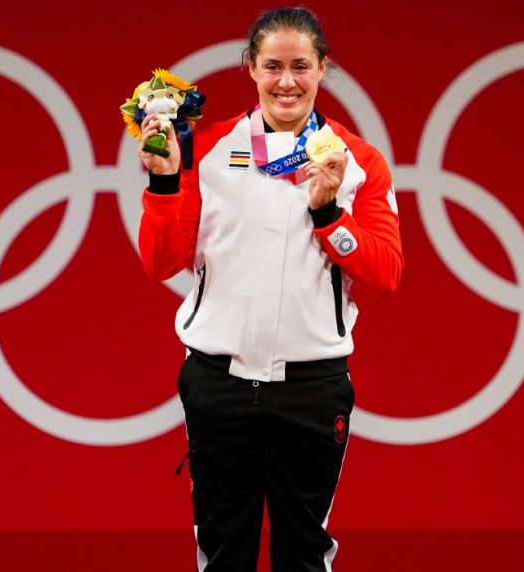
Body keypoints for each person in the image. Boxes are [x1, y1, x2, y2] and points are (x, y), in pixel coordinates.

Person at [136, 7, 402, 571]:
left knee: (303, 555)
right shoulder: (207, 151)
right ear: (251, 70)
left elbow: (386, 274)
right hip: (219, 382)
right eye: (273, 66)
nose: (287, 81)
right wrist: (163, 181)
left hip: (313, 387)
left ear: (323, 69)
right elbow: (162, 261)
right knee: (223, 552)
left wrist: (329, 213)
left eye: (301, 66)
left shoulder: (360, 163)